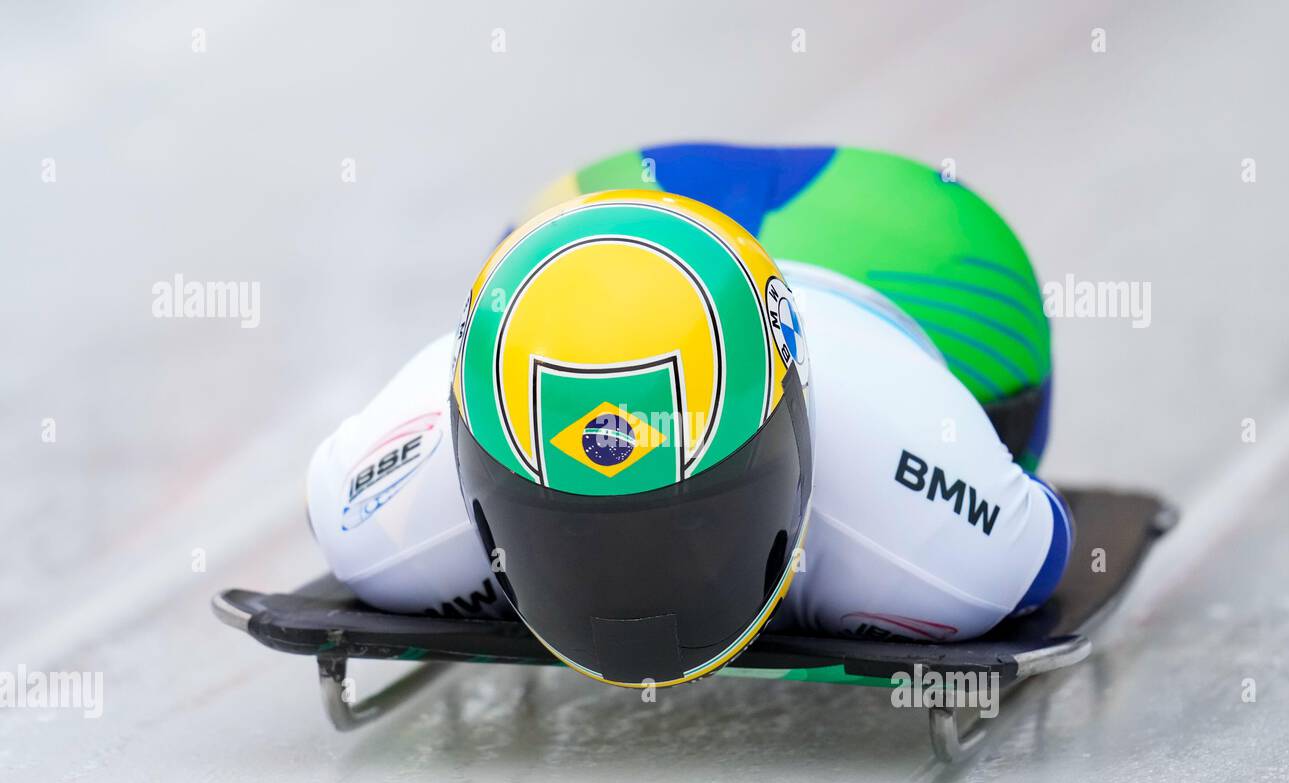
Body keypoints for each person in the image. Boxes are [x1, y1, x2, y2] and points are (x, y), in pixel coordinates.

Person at [306, 145, 1072, 687]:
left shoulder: (379, 536)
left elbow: (1039, 544)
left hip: (903, 261)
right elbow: (1043, 545)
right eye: (566, 530)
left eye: (699, 522)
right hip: (798, 231)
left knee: (1003, 361)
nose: (634, 606)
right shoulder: (951, 568)